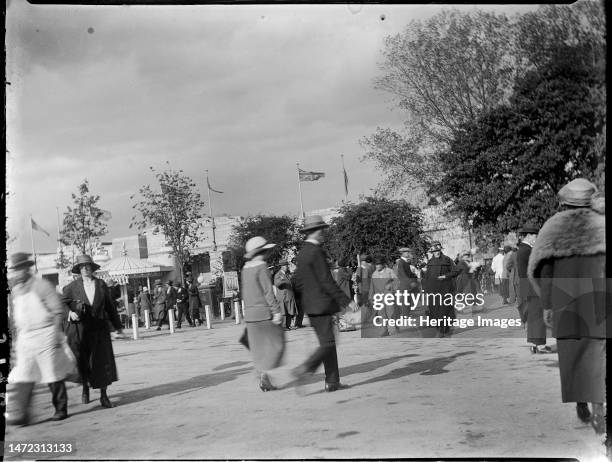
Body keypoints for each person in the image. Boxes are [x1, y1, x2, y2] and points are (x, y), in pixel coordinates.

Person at [529, 178, 607, 434]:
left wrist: (548, 305)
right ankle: (599, 406)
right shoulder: (602, 224)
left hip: (565, 298)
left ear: (564, 201)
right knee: (597, 350)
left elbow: (543, 270)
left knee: (571, 352)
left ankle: (581, 400)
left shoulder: (552, 226)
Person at [291, 215, 357, 392]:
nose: (323, 234)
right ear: (315, 231)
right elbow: (326, 280)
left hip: (312, 307)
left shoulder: (302, 253)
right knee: (328, 344)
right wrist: (346, 301)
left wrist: (302, 302)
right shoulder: (315, 252)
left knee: (328, 343)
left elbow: (296, 282)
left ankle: (332, 381)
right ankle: (305, 369)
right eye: (322, 230)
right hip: (322, 305)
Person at [6, 253, 74, 425]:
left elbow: (57, 311)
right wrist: (15, 339)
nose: (18, 273)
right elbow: (16, 316)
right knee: (24, 374)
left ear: (27, 268)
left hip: (45, 333)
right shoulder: (15, 290)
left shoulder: (42, 286)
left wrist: (56, 335)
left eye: (21, 269)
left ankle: (61, 409)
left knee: (51, 372)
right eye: (15, 269)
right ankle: (22, 414)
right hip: (25, 336)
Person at [63, 254, 124, 408]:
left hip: (100, 330)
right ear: (78, 270)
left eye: (88, 266)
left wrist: (117, 327)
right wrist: (69, 313)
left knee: (103, 362)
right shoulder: (71, 287)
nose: (85, 269)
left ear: (92, 268)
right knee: (84, 362)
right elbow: (63, 303)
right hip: (81, 331)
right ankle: (85, 388)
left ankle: (104, 396)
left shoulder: (101, 284)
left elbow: (110, 307)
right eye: (82, 267)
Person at [241, 236, 284, 391]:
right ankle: (264, 376)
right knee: (274, 346)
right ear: (263, 251)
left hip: (250, 315)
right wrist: (276, 311)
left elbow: (245, 293)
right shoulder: (262, 267)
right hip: (264, 313)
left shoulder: (245, 269)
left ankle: (261, 374)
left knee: (259, 348)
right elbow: (268, 292)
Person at [516, 223, 551, 354]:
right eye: (535, 235)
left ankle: (535, 344)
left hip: (529, 286)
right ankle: (539, 345)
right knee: (537, 316)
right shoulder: (527, 250)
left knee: (534, 316)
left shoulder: (523, 249)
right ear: (529, 236)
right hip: (533, 286)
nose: (536, 238)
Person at [422, 241, 460, 337]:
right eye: (435, 251)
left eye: (438, 250)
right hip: (433, 291)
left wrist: (445, 276)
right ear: (432, 252)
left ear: (440, 250)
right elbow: (427, 278)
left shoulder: (447, 260)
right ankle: (440, 329)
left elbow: (456, 271)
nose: (437, 253)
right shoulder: (430, 262)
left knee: (445, 309)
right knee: (434, 310)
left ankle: (444, 330)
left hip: (445, 289)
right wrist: (425, 290)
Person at [369, 256, 399, 336]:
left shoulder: (389, 271)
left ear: (383, 264)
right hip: (379, 296)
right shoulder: (374, 274)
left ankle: (395, 326)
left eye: (379, 264)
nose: (377, 266)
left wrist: (391, 285)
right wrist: (371, 296)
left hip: (389, 295)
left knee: (391, 312)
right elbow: (372, 286)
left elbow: (397, 281)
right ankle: (384, 330)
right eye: (376, 265)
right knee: (381, 313)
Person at [274, 260, 298, 330]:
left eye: (287, 265)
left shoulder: (286, 274)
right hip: (283, 297)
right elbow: (277, 284)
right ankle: (284, 326)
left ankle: (288, 325)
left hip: (289, 297)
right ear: (282, 266)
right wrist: (282, 280)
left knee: (290, 312)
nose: (287, 266)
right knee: (284, 312)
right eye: (286, 265)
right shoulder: (278, 275)